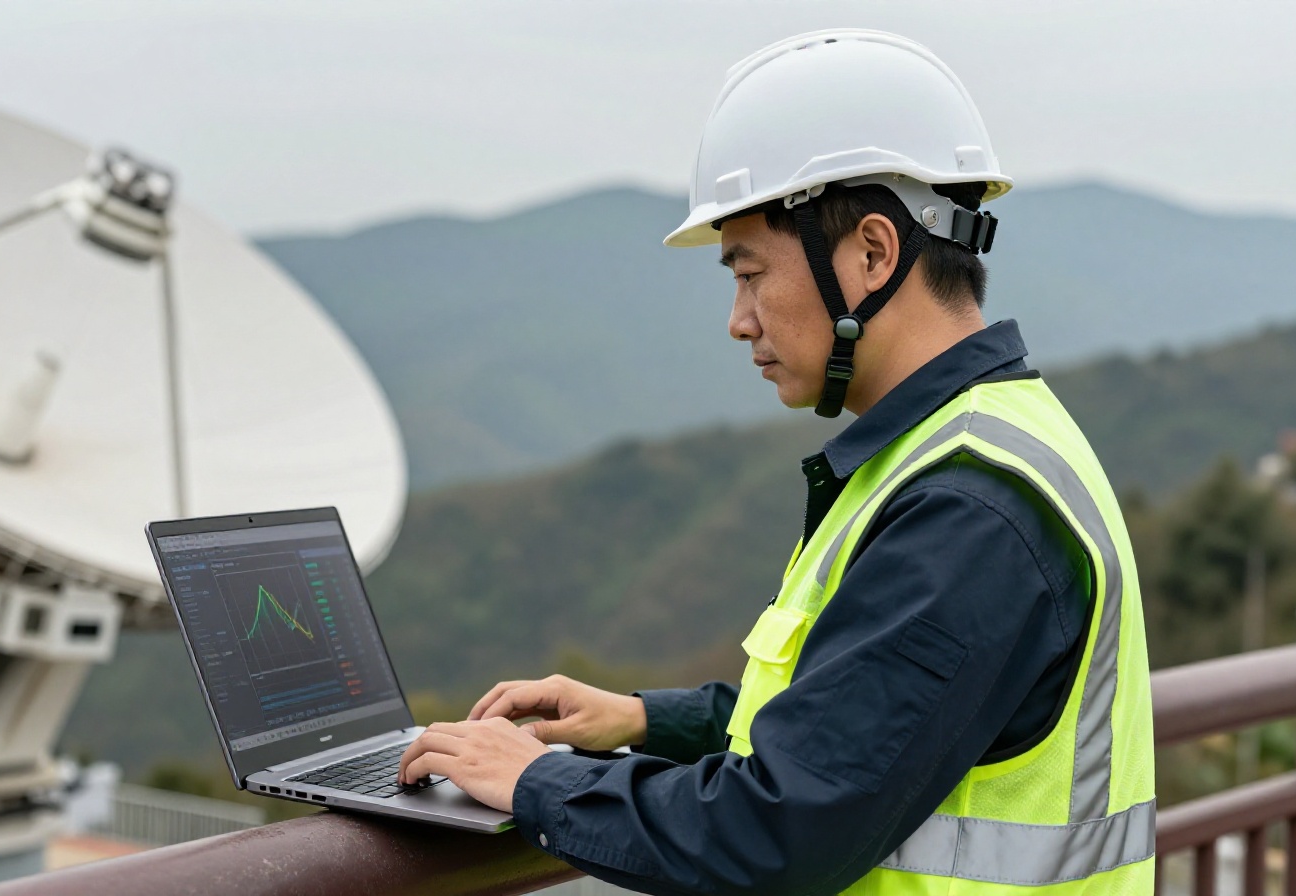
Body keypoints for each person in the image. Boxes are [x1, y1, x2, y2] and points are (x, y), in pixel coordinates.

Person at [399, 29, 1155, 895]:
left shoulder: (970, 507)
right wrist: (646, 720)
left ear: (872, 254)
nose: (739, 318)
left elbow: (774, 832)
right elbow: (853, 720)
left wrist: (535, 781)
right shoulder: (965, 447)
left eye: (750, 272)